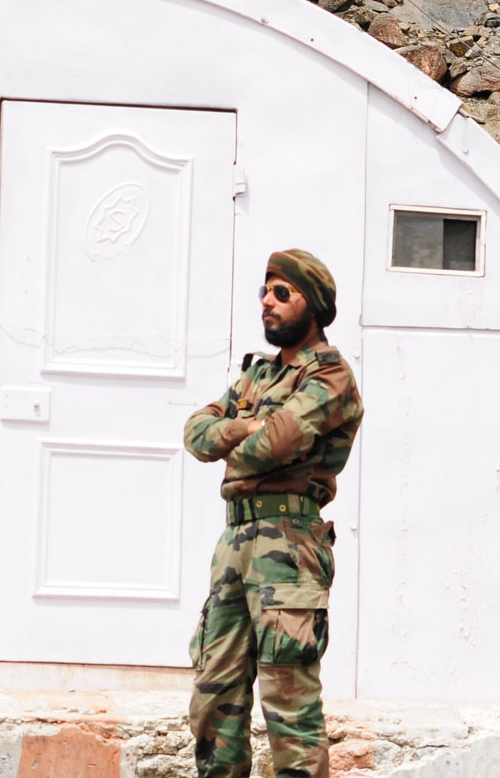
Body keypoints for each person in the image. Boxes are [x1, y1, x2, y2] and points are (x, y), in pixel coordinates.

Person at [183, 248, 365, 778]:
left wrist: (237, 436)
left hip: (288, 543)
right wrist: (245, 429)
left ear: (314, 305)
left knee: (289, 705)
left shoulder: (330, 375)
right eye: (265, 290)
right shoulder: (257, 376)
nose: (267, 301)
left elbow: (274, 445)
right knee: (214, 699)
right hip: (235, 541)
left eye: (282, 292)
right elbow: (196, 434)